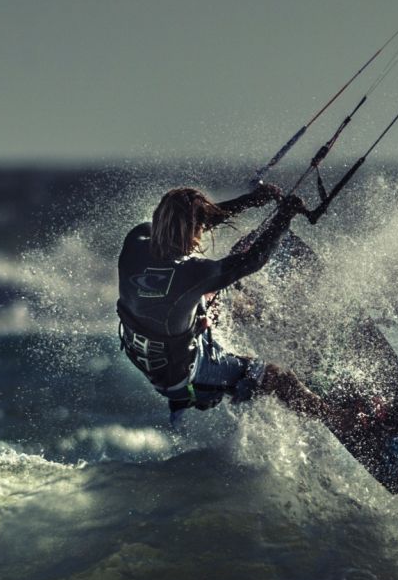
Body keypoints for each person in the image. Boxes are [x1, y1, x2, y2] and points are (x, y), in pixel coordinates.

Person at [116, 182, 345, 428]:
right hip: (185, 377)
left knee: (223, 285)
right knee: (276, 377)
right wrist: (284, 216)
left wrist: (250, 200)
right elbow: (253, 260)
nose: (202, 231)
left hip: (150, 352)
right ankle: (339, 419)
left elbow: (195, 224)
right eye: (199, 227)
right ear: (190, 230)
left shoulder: (136, 240)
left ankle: (253, 320)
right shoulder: (191, 274)